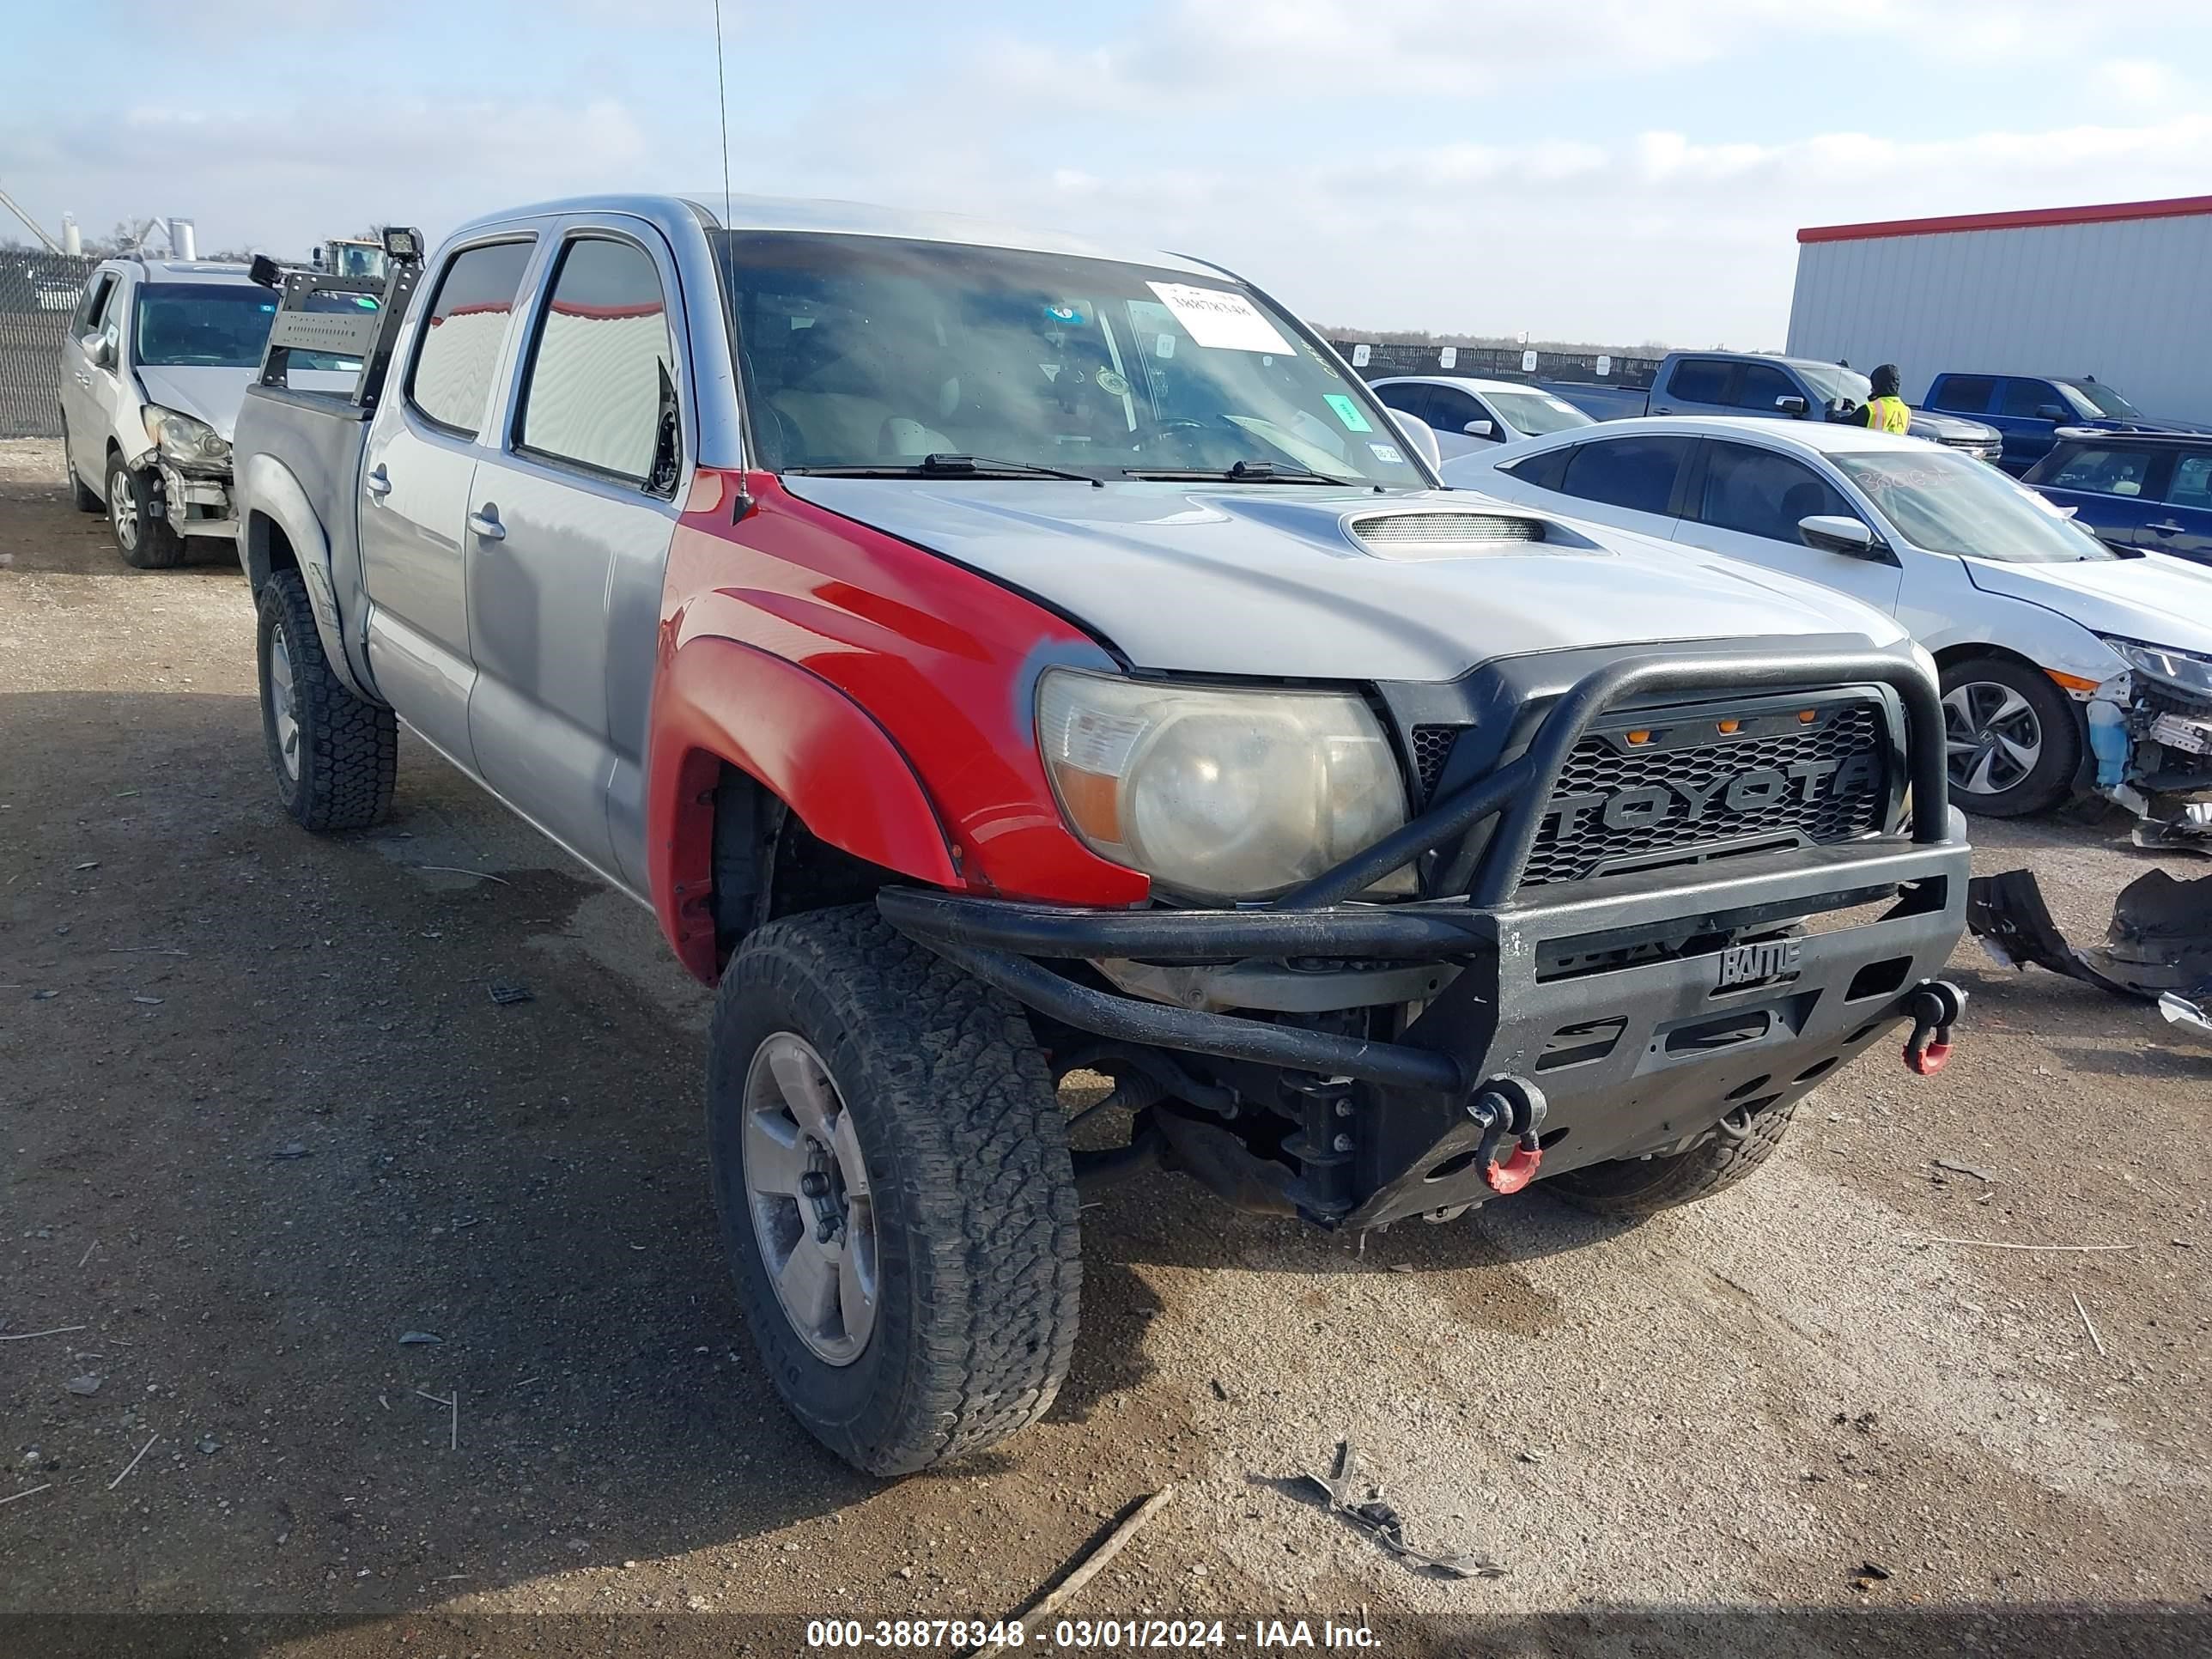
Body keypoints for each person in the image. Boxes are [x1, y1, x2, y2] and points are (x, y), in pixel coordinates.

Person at [1857, 363, 1912, 434]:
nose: (1871, 389)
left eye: (1873, 384)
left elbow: (1844, 425)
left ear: (1879, 385)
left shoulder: (1871, 409)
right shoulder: (1906, 411)